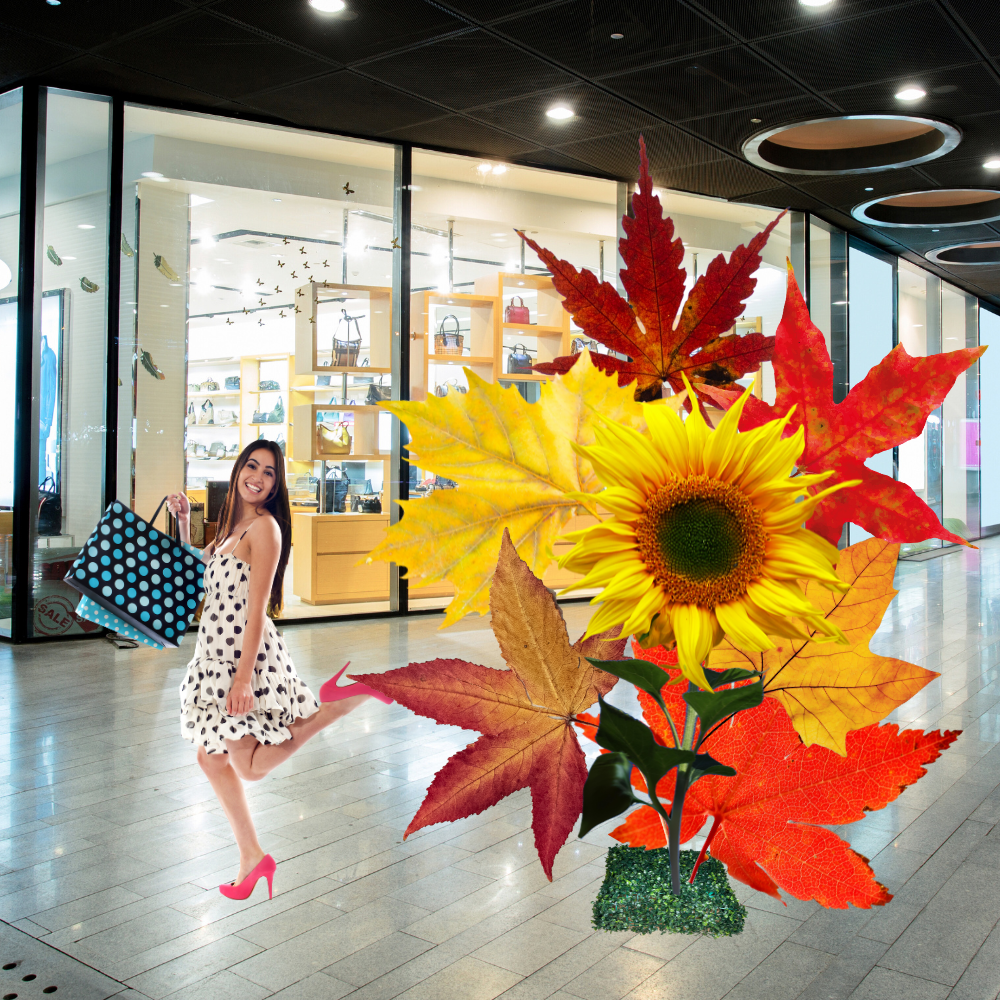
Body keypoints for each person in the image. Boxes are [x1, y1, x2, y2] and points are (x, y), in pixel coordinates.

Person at [167, 440, 390, 901]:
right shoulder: (234, 524)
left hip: (238, 656)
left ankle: (337, 704)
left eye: (269, 473)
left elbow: (256, 611)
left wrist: (244, 678)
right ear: (238, 470)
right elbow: (201, 573)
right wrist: (186, 522)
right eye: (252, 466)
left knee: (246, 768)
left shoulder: (265, 529)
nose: (258, 477)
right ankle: (252, 857)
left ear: (276, 484)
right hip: (214, 653)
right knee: (212, 758)